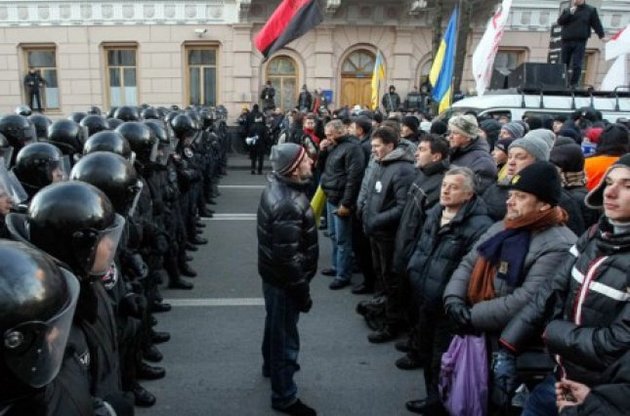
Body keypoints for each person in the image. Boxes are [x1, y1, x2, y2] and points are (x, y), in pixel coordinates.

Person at [499, 153, 630, 416]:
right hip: (561, 378)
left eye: (627, 186)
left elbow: (619, 340)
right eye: (609, 182)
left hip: (607, 393)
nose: (610, 192)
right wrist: (509, 343)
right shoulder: (594, 235)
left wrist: (553, 332)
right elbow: (552, 288)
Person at [443, 161, 577, 414]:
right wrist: (453, 299)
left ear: (544, 204)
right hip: (481, 332)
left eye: (521, 196)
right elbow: (469, 262)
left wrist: (471, 315)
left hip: (512, 344)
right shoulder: (504, 226)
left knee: (499, 403)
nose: (510, 201)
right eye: (511, 194)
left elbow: (526, 299)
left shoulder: (558, 244)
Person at [405, 167, 494, 415]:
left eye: (453, 187)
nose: (445, 190)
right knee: (426, 351)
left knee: (441, 356)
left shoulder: (479, 226)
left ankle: (441, 403)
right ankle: (432, 396)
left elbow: (470, 271)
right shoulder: (436, 211)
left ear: (468, 194)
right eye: (444, 185)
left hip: (447, 304)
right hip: (424, 295)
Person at [257, 143, 319, 416]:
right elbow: (288, 259)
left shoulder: (279, 187)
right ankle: (284, 396)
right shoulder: (288, 203)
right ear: (293, 168)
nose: (311, 162)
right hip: (284, 282)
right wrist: (303, 293)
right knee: (285, 339)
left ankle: (270, 367)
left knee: (275, 324)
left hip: (273, 277)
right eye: (305, 160)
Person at [360, 126, 415, 343]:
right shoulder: (382, 164)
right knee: (381, 275)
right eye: (372, 146)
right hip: (376, 232)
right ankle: (382, 311)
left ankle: (392, 324)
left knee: (391, 279)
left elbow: (402, 207)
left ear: (390, 146)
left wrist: (375, 220)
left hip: (389, 236)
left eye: (376, 146)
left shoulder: (402, 170)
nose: (373, 150)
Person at [318, 119, 365, 290]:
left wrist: (346, 203)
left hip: (341, 199)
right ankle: (336, 266)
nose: (327, 138)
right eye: (326, 135)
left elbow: (354, 178)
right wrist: (322, 151)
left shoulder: (352, 148)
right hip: (331, 195)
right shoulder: (333, 146)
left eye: (330, 135)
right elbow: (322, 167)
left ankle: (343, 274)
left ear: (340, 132)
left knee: (342, 240)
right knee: (333, 235)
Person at [557, 0, 606, 88]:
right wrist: (569, 13)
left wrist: (601, 36)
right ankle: (562, 82)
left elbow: (596, 23)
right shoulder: (568, 10)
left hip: (580, 41)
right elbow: (560, 22)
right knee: (564, 63)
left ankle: (574, 84)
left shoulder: (590, 10)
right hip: (566, 40)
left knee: (577, 64)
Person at [447, 114, 497, 190]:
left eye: (455, 133)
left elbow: (477, 191)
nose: (450, 137)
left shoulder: (482, 161)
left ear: (468, 137)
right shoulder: (455, 151)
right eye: (450, 132)